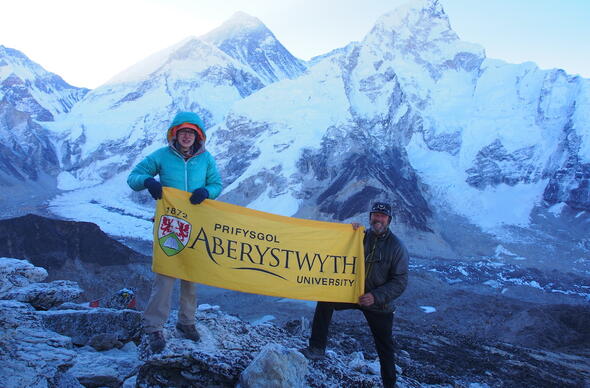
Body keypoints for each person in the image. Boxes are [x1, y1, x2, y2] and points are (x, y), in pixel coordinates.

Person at [127, 111, 222, 353]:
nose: (187, 136)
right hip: (169, 223)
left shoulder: (206, 159)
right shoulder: (162, 156)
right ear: (175, 134)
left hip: (197, 224)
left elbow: (216, 184)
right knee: (166, 275)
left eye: (192, 132)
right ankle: (154, 327)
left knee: (191, 274)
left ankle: (186, 322)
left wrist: (207, 192)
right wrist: (148, 182)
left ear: (198, 135)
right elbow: (134, 176)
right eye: (183, 132)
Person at [300, 202, 409, 388]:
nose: (378, 219)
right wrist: (349, 233)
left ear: (389, 220)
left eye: (382, 216)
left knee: (385, 345)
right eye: (375, 215)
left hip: (378, 304)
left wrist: (375, 296)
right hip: (353, 294)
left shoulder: (397, 246)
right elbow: (338, 248)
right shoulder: (361, 236)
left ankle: (389, 384)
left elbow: (400, 281)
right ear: (370, 217)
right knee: (326, 300)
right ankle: (317, 348)